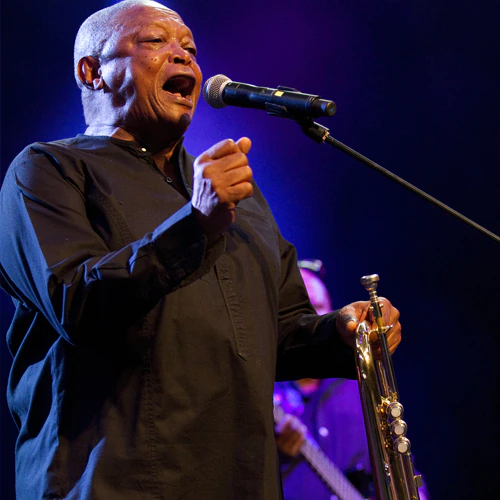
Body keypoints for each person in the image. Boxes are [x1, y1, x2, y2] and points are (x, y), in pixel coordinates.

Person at [0, 1, 402, 498]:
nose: (183, 56)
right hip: (115, 483)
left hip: (243, 481)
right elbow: (75, 303)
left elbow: (279, 335)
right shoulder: (46, 170)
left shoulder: (241, 197)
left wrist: (342, 334)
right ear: (92, 72)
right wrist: (195, 226)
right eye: (155, 42)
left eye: (190, 48)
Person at [274, 260, 430, 500]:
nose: (312, 318)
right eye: (302, 313)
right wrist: (274, 453)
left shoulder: (358, 385)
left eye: (318, 307)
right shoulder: (264, 390)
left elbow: (400, 462)